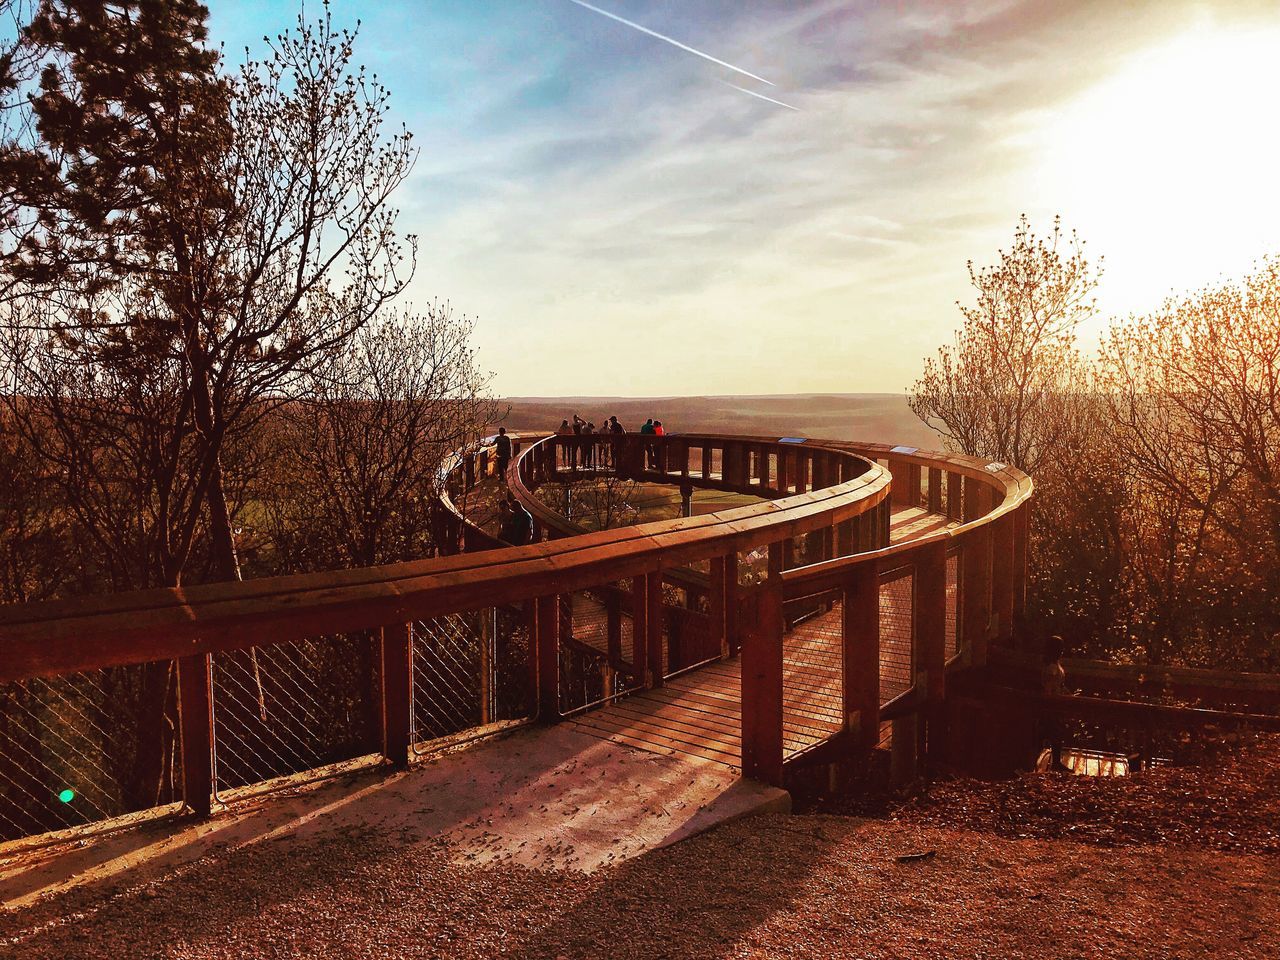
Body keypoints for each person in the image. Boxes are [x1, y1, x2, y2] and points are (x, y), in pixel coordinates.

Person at [1040, 635, 1068, 771]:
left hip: (1057, 701)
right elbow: (1049, 687)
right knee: (1054, 731)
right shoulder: (1051, 668)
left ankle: (1056, 761)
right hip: (1052, 704)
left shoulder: (1054, 665)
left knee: (1055, 731)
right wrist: (1051, 702)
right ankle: (1055, 762)